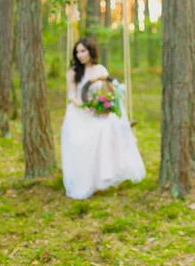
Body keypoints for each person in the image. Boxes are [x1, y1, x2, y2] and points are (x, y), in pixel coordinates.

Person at [60, 37, 146, 200]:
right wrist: (85, 107)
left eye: (83, 51)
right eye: (77, 52)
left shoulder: (100, 70)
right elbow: (72, 95)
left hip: (99, 110)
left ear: (91, 51)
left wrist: (103, 106)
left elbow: (108, 90)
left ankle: (105, 175)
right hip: (79, 110)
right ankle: (87, 178)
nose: (80, 55)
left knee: (109, 126)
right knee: (88, 134)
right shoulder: (73, 72)